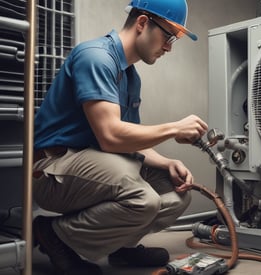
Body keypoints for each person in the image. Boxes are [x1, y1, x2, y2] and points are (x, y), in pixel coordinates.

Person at [32, 0, 208, 274]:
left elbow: (128, 140)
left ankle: (122, 248)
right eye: (168, 35)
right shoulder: (96, 57)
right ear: (142, 23)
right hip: (51, 170)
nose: (169, 47)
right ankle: (54, 235)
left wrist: (165, 162)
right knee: (142, 196)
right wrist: (174, 128)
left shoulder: (130, 76)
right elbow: (111, 137)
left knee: (176, 193)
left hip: (90, 163)